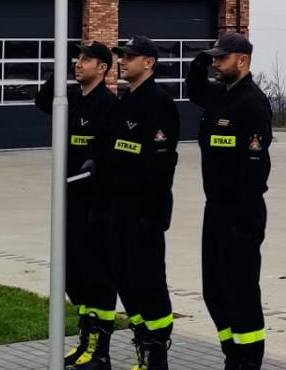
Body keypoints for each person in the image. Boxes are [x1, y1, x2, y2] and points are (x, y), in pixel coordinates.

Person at [188, 33, 274, 369]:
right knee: (214, 292)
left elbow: (256, 168)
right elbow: (195, 90)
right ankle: (232, 355)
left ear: (242, 60)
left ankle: (248, 361)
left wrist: (241, 220)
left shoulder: (252, 103)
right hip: (215, 210)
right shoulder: (220, 96)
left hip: (241, 213)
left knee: (241, 293)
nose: (216, 64)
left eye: (221, 58)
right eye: (214, 58)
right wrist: (199, 61)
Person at [36, 42, 123, 368]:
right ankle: (85, 341)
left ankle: (100, 351)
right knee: (74, 275)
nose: (79, 64)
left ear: (102, 68)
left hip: (94, 202)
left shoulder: (108, 105)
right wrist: (59, 67)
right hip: (68, 199)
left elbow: (108, 152)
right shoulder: (70, 98)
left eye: (86, 60)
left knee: (96, 274)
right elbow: (42, 100)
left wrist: (94, 164)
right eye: (78, 59)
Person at [102, 37, 184, 369]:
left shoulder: (158, 103)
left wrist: (151, 213)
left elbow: (161, 164)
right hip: (119, 208)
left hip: (144, 211)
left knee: (148, 281)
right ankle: (143, 346)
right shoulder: (126, 101)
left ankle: (157, 353)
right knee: (125, 280)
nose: (123, 61)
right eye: (122, 56)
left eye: (130, 57)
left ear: (149, 62)